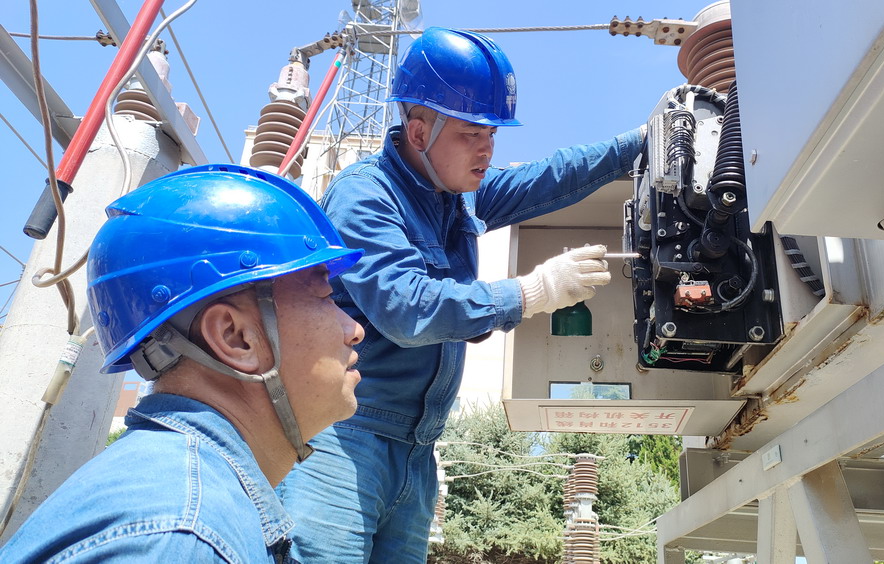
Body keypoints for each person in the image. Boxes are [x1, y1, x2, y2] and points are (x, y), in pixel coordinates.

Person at [277, 27, 646, 563]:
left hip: (418, 451)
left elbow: (552, 176)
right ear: (419, 131)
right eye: (471, 133)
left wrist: (642, 140)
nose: (487, 148)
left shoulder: (458, 195)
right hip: (345, 439)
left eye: (492, 132)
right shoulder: (365, 196)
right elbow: (408, 308)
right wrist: (533, 291)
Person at [0, 164, 365, 563]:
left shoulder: (182, 502)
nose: (354, 329)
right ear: (235, 337)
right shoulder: (183, 539)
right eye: (325, 297)